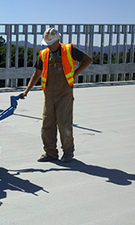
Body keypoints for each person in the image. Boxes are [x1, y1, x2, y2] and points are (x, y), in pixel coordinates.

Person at [18, 27, 92, 163]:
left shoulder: (69, 50)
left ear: (58, 40)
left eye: (51, 43)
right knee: (47, 124)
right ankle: (50, 152)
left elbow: (87, 60)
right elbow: (37, 73)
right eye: (47, 43)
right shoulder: (44, 54)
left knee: (64, 123)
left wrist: (75, 73)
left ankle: (68, 152)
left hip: (65, 92)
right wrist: (26, 90)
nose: (49, 46)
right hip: (49, 94)